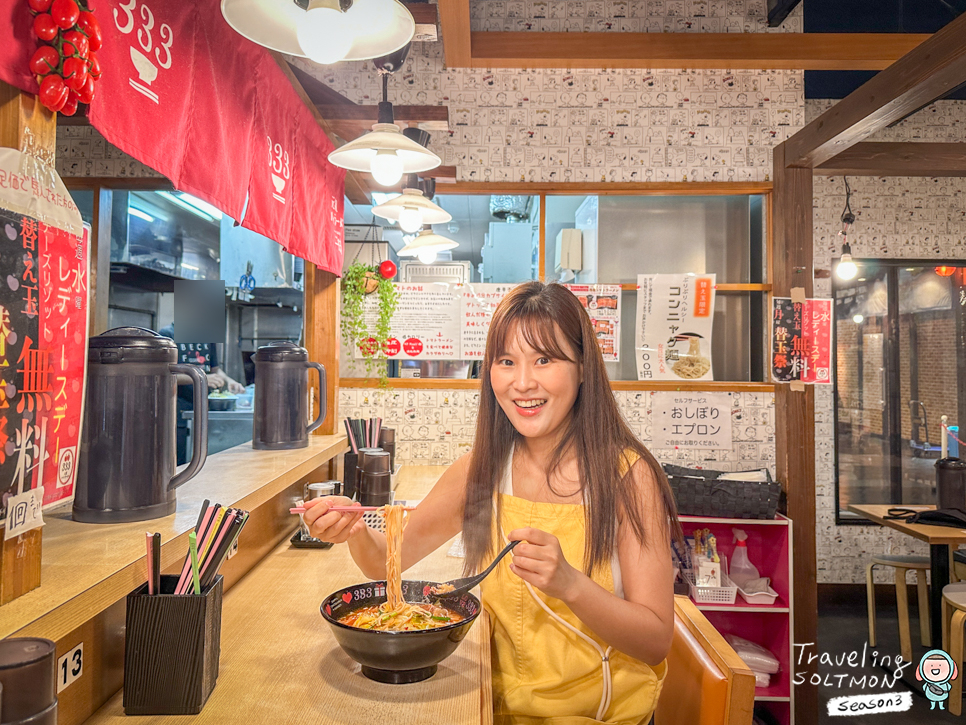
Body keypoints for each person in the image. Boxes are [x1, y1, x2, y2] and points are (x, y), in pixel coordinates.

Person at [304, 281, 681, 724]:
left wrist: (570, 584)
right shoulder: (479, 470)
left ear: (583, 368)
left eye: (545, 359)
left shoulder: (628, 477)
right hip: (491, 707)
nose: (523, 383)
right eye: (506, 362)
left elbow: (655, 639)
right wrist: (352, 528)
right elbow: (386, 560)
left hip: (598, 715)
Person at [158, 323, 244, 464]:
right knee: (178, 462)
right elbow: (163, 374)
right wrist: (201, 377)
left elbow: (214, 370)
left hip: (204, 411)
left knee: (203, 462)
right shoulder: (167, 334)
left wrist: (229, 381)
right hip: (177, 413)